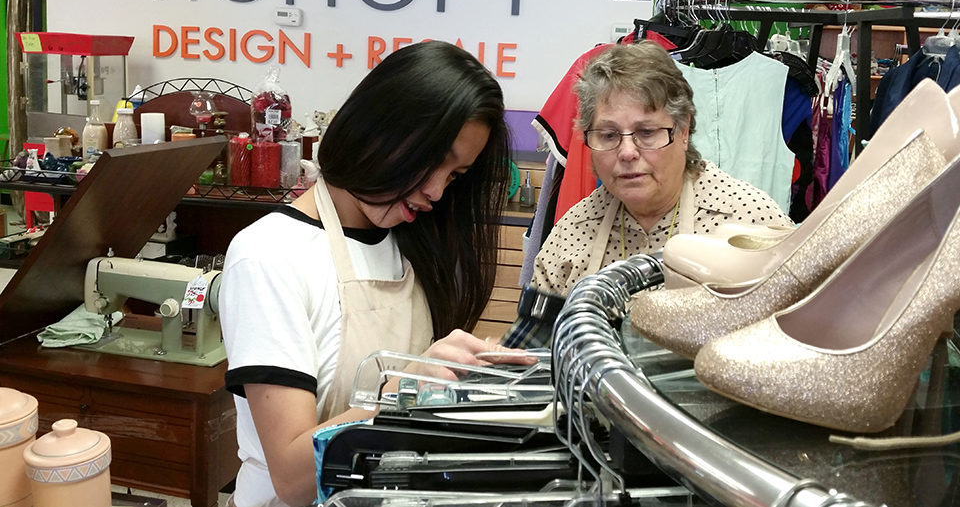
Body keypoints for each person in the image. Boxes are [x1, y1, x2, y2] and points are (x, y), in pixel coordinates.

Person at [219, 40, 534, 507]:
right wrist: (405, 385)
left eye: (454, 175)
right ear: (378, 127)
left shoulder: (412, 243)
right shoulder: (269, 256)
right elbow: (293, 477)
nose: (435, 191)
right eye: (432, 160)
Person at [503, 41, 792, 348]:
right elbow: (531, 358)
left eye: (647, 132)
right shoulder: (572, 232)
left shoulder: (751, 220)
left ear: (682, 131)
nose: (627, 152)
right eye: (609, 135)